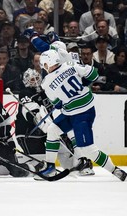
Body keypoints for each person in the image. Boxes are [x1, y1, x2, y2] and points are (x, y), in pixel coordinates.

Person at [37, 49, 127, 181]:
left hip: (81, 114)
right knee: (53, 130)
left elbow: (57, 103)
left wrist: (59, 103)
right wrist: (85, 81)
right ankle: (50, 167)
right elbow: (94, 73)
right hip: (82, 110)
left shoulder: (46, 83)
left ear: (46, 64)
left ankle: (114, 170)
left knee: (88, 150)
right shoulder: (71, 65)